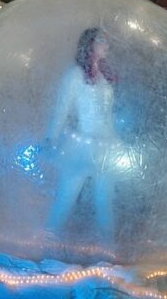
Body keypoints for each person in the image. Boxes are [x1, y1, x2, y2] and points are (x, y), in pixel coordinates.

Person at [45, 27, 119, 242]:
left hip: (107, 146)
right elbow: (61, 109)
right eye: (101, 41)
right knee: (66, 196)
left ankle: (108, 249)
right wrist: (51, 138)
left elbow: (108, 113)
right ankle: (46, 242)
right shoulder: (75, 75)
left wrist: (117, 139)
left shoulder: (105, 76)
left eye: (106, 40)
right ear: (89, 46)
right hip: (82, 146)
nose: (106, 45)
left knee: (104, 200)